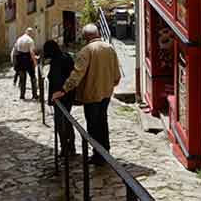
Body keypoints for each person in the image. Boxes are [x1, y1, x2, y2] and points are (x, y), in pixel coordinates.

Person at [52, 24, 121, 166]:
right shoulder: (109, 48)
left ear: (86, 37)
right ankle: (105, 151)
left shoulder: (86, 51)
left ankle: (98, 154)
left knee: (93, 124)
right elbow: (117, 73)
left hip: (91, 94)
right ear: (98, 33)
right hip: (106, 92)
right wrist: (110, 85)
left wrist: (63, 90)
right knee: (103, 121)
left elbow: (77, 74)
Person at [43, 40, 76, 157]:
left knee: (60, 122)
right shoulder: (66, 56)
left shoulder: (57, 61)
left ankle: (65, 147)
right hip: (69, 95)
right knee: (67, 121)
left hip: (61, 97)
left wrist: (55, 95)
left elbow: (56, 80)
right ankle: (71, 146)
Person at [13, 28, 38, 100]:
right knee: (33, 77)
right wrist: (35, 62)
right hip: (28, 60)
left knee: (22, 78)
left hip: (20, 60)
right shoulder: (30, 40)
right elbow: (32, 52)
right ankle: (35, 94)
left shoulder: (19, 39)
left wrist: (15, 62)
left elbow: (15, 50)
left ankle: (22, 95)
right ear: (31, 33)